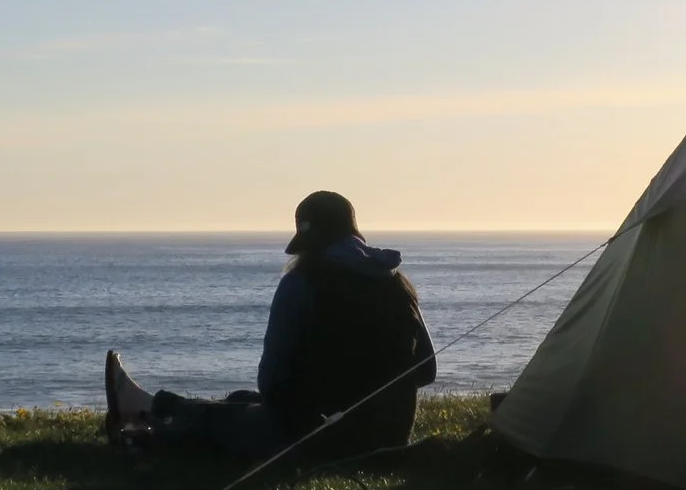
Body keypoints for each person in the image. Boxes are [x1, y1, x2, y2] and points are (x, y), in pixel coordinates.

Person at [103, 191, 436, 461]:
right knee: (240, 400)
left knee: (230, 420)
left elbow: (273, 381)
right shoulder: (397, 283)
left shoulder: (303, 281)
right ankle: (152, 410)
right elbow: (427, 370)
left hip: (320, 438)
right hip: (392, 435)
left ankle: (145, 412)